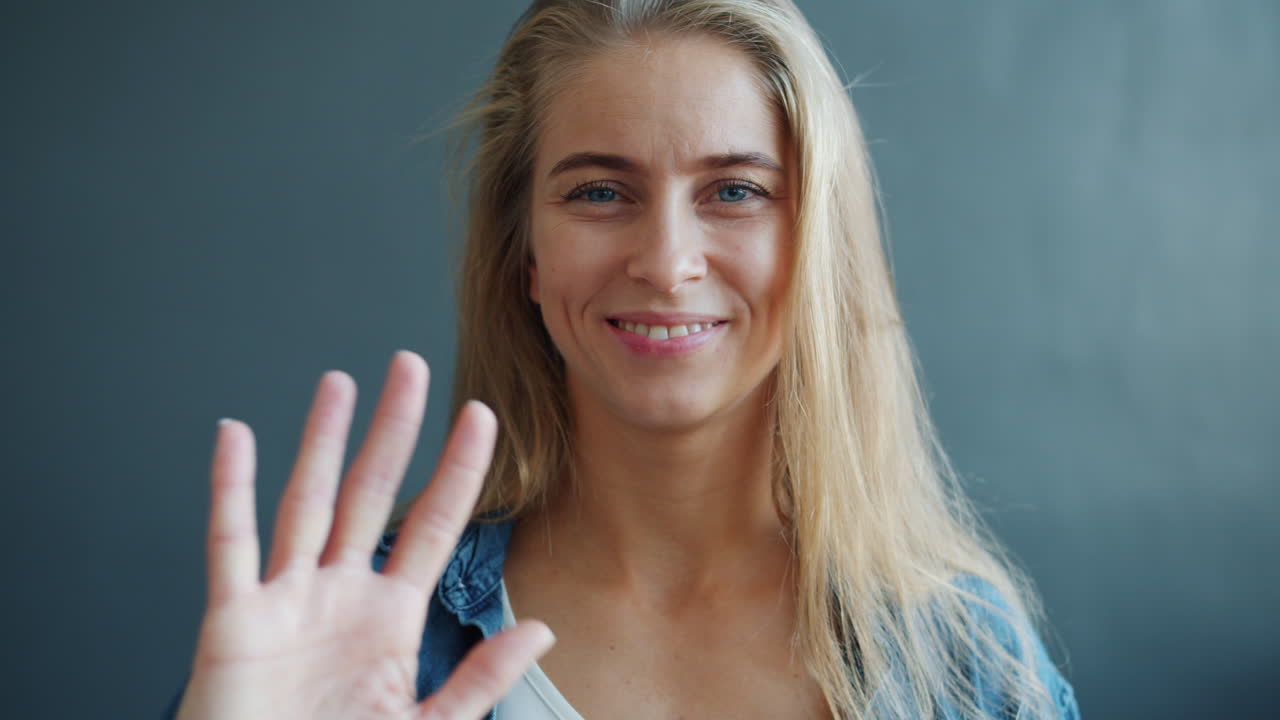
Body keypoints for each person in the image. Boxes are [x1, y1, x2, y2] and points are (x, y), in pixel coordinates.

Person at [166, 1, 1081, 718]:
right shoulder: (360, 640)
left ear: (816, 247)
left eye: (735, 191)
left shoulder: (964, 659)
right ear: (525, 255)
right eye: (600, 192)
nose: (666, 262)